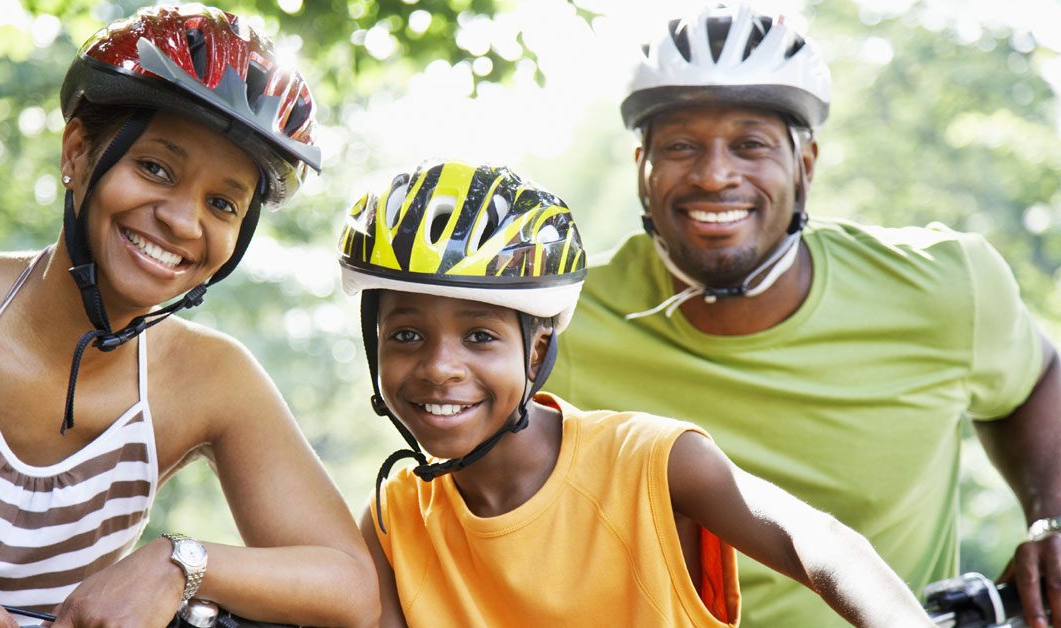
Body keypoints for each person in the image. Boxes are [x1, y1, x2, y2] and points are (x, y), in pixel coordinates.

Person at [0, 4, 378, 627]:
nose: (183, 221)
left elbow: (349, 587)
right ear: (77, 152)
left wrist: (178, 563)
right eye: (155, 168)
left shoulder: (208, 380)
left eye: (221, 203)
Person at [545, 4, 1061, 627]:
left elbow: (1035, 384)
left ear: (805, 167)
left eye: (750, 144)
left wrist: (1051, 516)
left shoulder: (947, 288)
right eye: (681, 145)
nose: (714, 174)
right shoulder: (556, 319)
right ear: (642, 173)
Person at [337, 159, 935, 627]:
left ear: (538, 351)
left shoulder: (651, 460)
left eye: (480, 336)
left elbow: (817, 541)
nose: (440, 367)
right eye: (407, 334)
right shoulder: (396, 516)